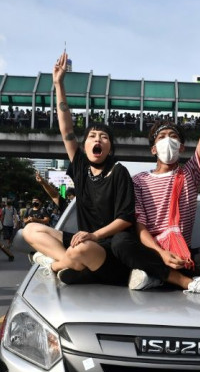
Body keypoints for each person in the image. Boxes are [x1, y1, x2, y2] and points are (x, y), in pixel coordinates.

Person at [111, 51, 200, 297]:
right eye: (162, 137)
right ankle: (185, 282)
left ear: (182, 147)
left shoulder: (191, 173)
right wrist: (161, 254)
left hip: (184, 254)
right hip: (153, 252)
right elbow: (140, 227)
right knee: (120, 242)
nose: (168, 141)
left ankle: (155, 276)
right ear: (153, 149)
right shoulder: (138, 181)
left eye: (173, 137)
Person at [19, 50, 134, 287]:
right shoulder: (80, 166)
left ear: (109, 148)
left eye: (103, 137)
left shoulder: (118, 172)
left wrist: (95, 235)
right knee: (30, 230)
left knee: (83, 249)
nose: (97, 139)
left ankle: (55, 265)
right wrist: (58, 84)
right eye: (92, 136)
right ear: (85, 145)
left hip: (105, 246)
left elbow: (126, 219)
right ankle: (71, 264)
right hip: (80, 242)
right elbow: (66, 129)